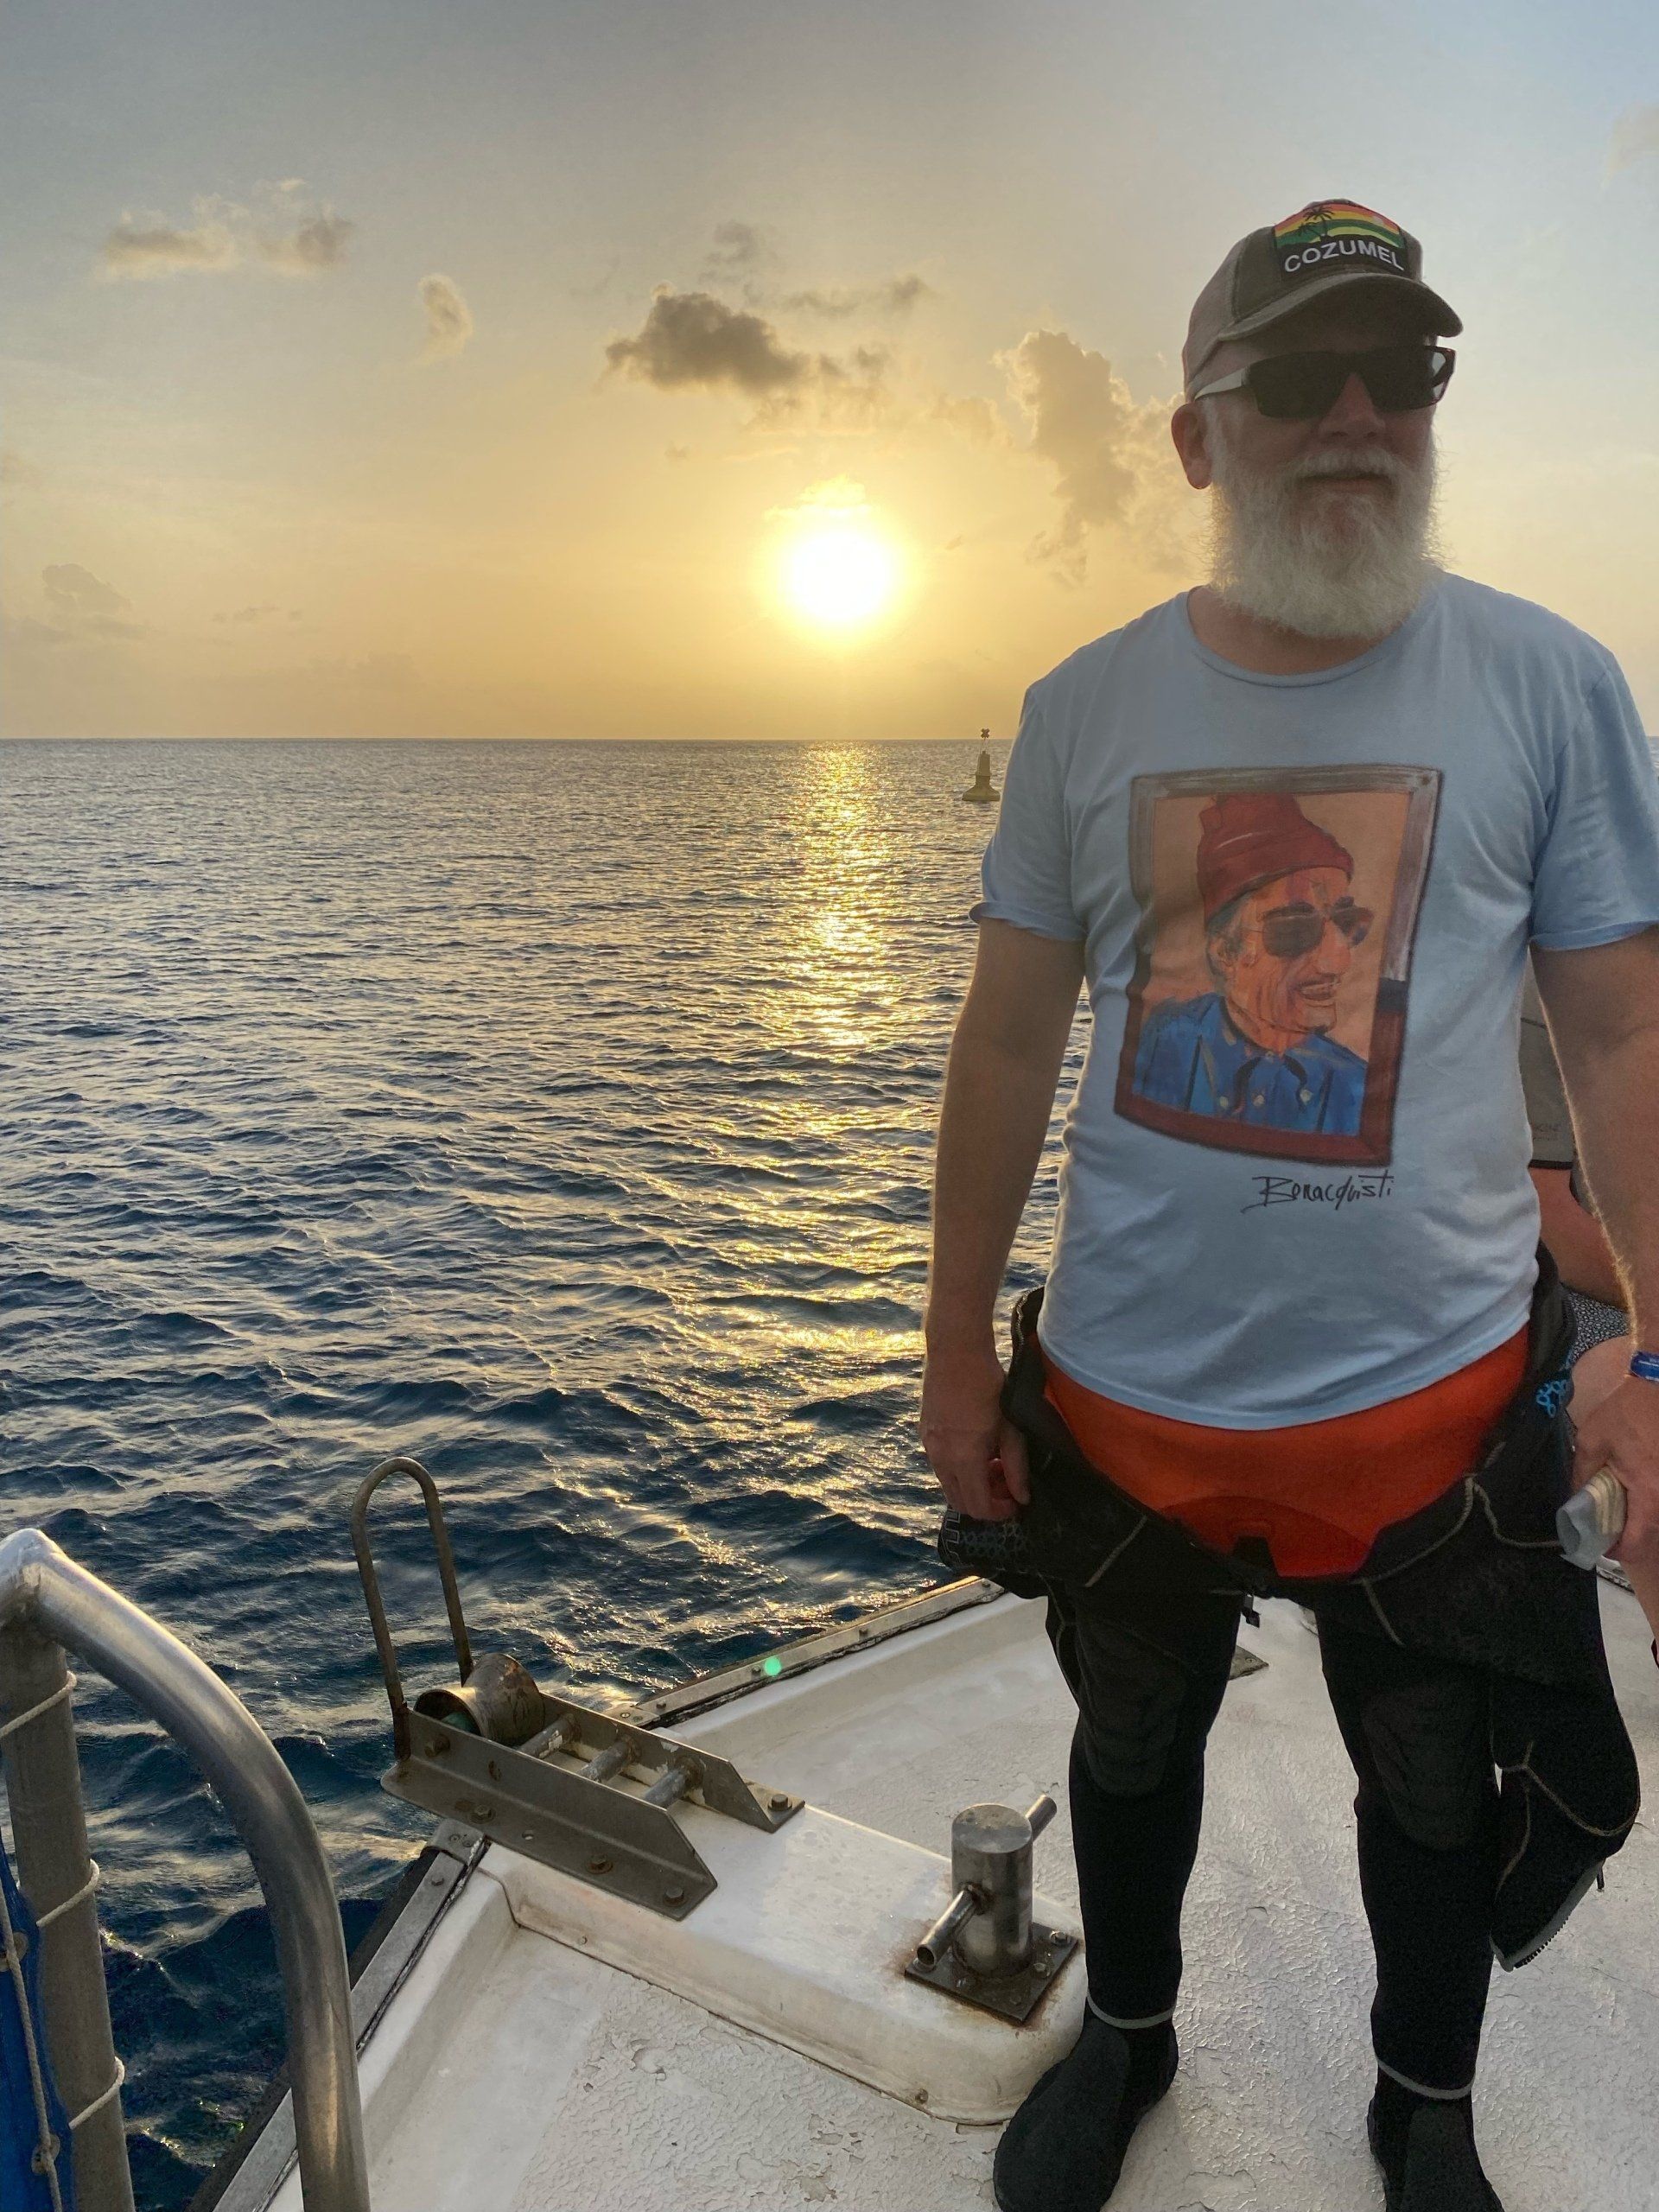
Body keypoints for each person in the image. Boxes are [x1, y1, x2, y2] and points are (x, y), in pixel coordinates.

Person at [921, 196, 1659, 2212]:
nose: (1356, 413)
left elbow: (1618, 1038)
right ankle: (1130, 2032)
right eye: (1298, 376)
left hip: (1430, 1407)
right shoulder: (1084, 708)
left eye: (1401, 370)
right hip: (1129, 1394)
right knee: (1131, 1736)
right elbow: (1007, 1037)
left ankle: (1425, 2103)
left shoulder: (1551, 683)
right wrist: (953, 1351)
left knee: (1432, 1772)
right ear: (1194, 433)